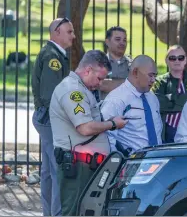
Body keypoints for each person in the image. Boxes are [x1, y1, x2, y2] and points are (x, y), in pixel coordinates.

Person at [49, 50, 128, 216]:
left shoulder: (81, 89)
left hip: (86, 165)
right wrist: (113, 124)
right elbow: (85, 128)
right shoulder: (73, 91)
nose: (100, 84)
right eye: (99, 78)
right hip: (78, 167)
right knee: (74, 212)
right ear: (88, 70)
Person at [31, 17, 75, 216]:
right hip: (50, 119)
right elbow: (50, 96)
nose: (73, 36)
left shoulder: (55, 54)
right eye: (69, 31)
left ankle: (49, 213)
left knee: (48, 171)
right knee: (58, 171)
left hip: (46, 118)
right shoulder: (53, 58)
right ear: (56, 32)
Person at [100, 55, 162, 156]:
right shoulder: (116, 99)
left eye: (155, 75)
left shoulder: (152, 98)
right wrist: (118, 162)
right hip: (130, 164)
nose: (153, 80)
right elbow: (105, 136)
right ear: (135, 72)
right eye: (150, 75)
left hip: (156, 161)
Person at [152, 45, 187, 143]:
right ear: (166, 61)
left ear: (185, 60)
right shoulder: (159, 81)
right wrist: (186, 99)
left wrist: (170, 99)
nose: (177, 61)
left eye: (180, 58)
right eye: (172, 58)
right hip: (166, 132)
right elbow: (159, 104)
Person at [93, 26, 132, 101]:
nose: (122, 43)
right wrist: (130, 83)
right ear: (107, 42)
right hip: (104, 109)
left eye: (124, 40)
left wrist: (111, 83)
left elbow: (140, 85)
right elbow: (102, 85)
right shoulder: (98, 64)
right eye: (118, 39)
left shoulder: (133, 64)